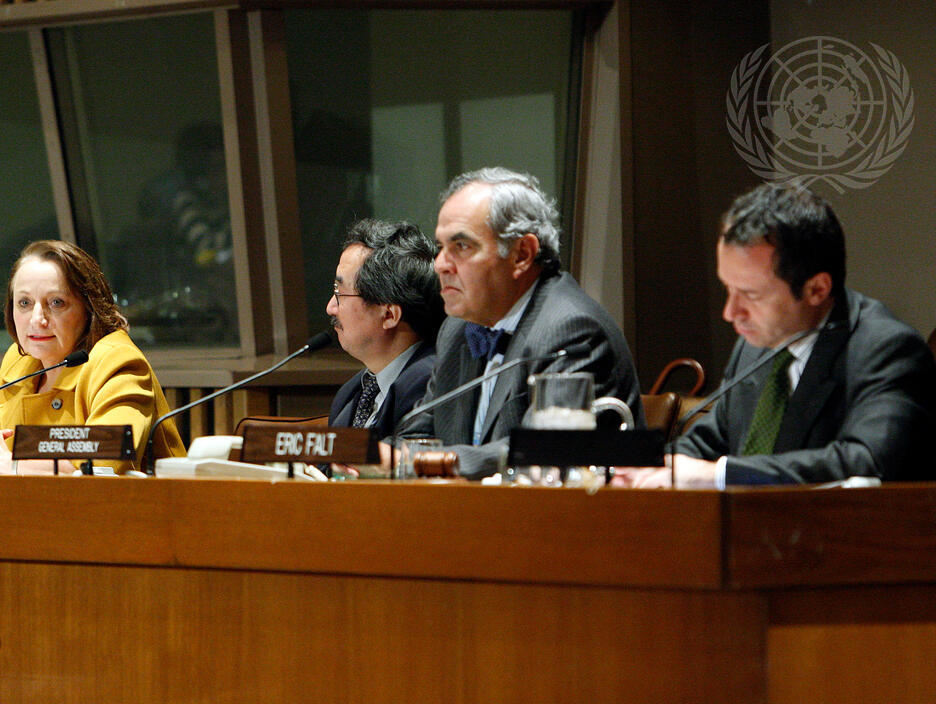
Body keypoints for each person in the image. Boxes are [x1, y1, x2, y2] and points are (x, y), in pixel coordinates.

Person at [617, 181, 936, 488]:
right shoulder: (754, 345)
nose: (730, 312)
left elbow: (865, 461)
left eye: (750, 294)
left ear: (816, 289)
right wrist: (648, 468)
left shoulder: (887, 349)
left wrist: (719, 474)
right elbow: (706, 444)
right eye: (728, 289)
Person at [397, 167, 643, 480]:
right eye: (441, 247)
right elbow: (416, 434)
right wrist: (380, 458)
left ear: (521, 255)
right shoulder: (457, 329)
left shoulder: (573, 331)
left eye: (461, 246)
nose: (440, 264)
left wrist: (424, 461)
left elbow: (544, 451)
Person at [0, 240, 185, 474]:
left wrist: (7, 463)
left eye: (56, 303)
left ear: (89, 308)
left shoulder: (116, 361)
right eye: (24, 303)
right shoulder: (21, 360)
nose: (37, 319)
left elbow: (105, 460)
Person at [327, 219, 444, 436]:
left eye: (340, 293)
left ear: (389, 315)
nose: (331, 308)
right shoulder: (351, 393)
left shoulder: (427, 387)